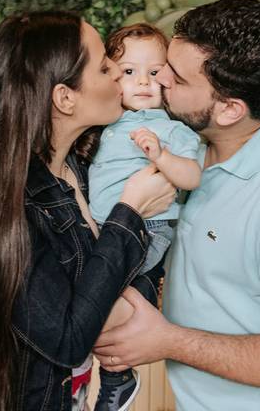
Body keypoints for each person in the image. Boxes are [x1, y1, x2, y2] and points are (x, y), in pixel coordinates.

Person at [94, 0, 260, 410]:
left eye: (176, 76)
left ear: (229, 109)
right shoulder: (197, 140)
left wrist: (167, 340)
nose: (159, 77)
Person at [0, 11, 176, 411]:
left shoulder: (81, 165)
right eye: (104, 67)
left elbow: (108, 293)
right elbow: (68, 338)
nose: (117, 73)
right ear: (64, 98)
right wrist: (130, 211)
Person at [88, 23, 202, 411]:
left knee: (104, 295)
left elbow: (193, 176)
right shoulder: (105, 124)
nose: (143, 82)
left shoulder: (172, 129)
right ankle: (114, 376)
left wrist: (161, 156)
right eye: (129, 72)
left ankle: (116, 378)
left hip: (149, 228)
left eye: (154, 72)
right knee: (92, 299)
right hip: (104, 228)